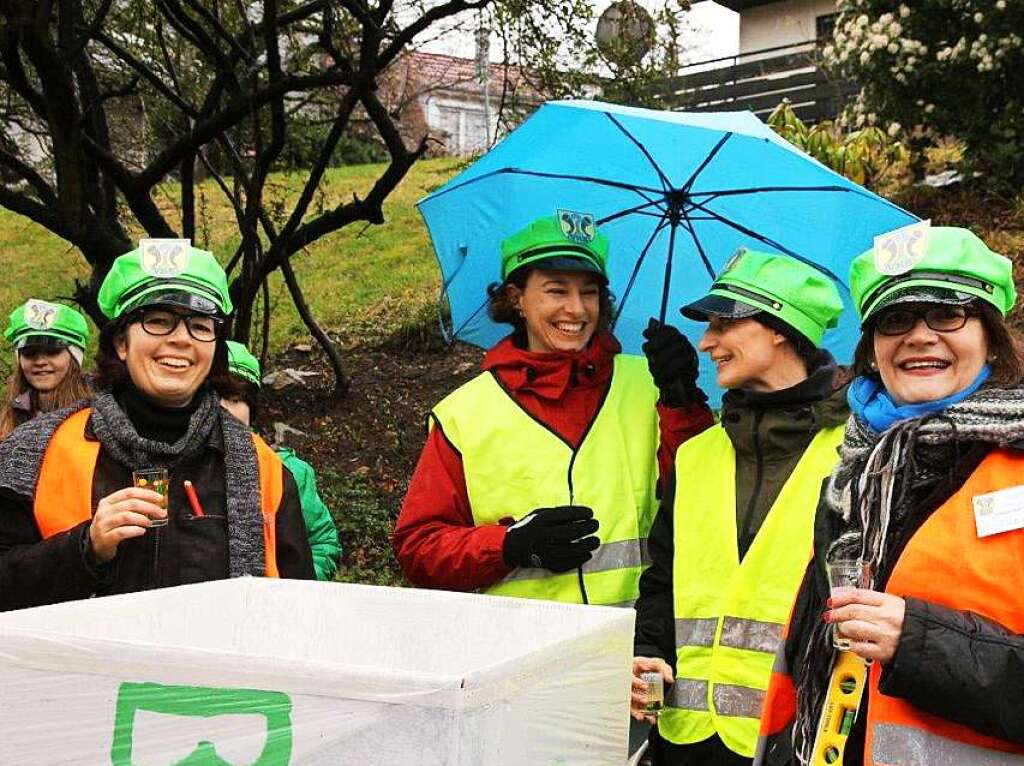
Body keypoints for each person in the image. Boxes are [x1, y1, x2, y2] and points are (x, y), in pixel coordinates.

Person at [755, 226, 1024, 765]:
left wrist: (920, 640)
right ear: (873, 352)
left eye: (948, 312)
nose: (920, 336)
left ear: (992, 338)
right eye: (895, 319)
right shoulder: (853, 475)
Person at [393, 212, 714, 606]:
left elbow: (705, 500)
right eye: (557, 291)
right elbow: (418, 547)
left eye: (590, 292)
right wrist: (509, 546)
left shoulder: (651, 385)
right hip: (524, 653)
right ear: (516, 299)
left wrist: (683, 400)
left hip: (638, 649)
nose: (577, 310)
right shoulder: (464, 414)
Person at [0, 241, 314, 611]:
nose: (180, 338)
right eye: (158, 320)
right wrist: (85, 548)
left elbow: (299, 608)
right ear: (121, 342)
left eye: (199, 325)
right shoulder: (34, 451)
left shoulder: (263, 467)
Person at [631, 248, 848, 765]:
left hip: (797, 739)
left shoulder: (858, 454)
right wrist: (650, 650)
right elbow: (663, 579)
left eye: (723, 323)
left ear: (779, 327)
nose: (707, 342)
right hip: (685, 736)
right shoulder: (696, 453)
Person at [222, 340, 342, 582]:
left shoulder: (288, 472)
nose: (224, 409)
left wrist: (294, 587)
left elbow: (322, 543)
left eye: (235, 399)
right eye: (212, 398)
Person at [1, 299, 91, 439]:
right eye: (29, 353)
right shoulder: (8, 419)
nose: (40, 362)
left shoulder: (100, 414)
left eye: (52, 351)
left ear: (75, 357)